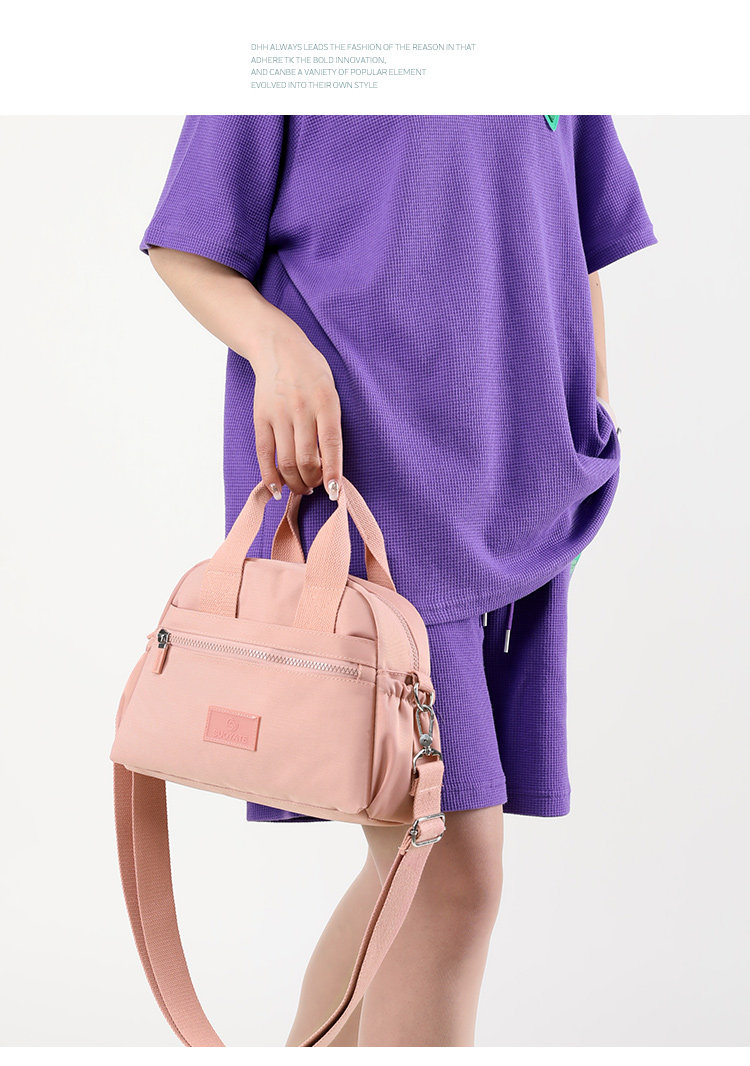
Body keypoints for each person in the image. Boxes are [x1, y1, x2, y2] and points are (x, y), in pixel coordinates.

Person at [138, 114, 657, 1046]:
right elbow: (188, 239)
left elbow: (579, 234)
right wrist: (276, 347)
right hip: (363, 477)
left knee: (419, 876)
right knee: (449, 869)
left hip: (510, 480)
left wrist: (592, 419)